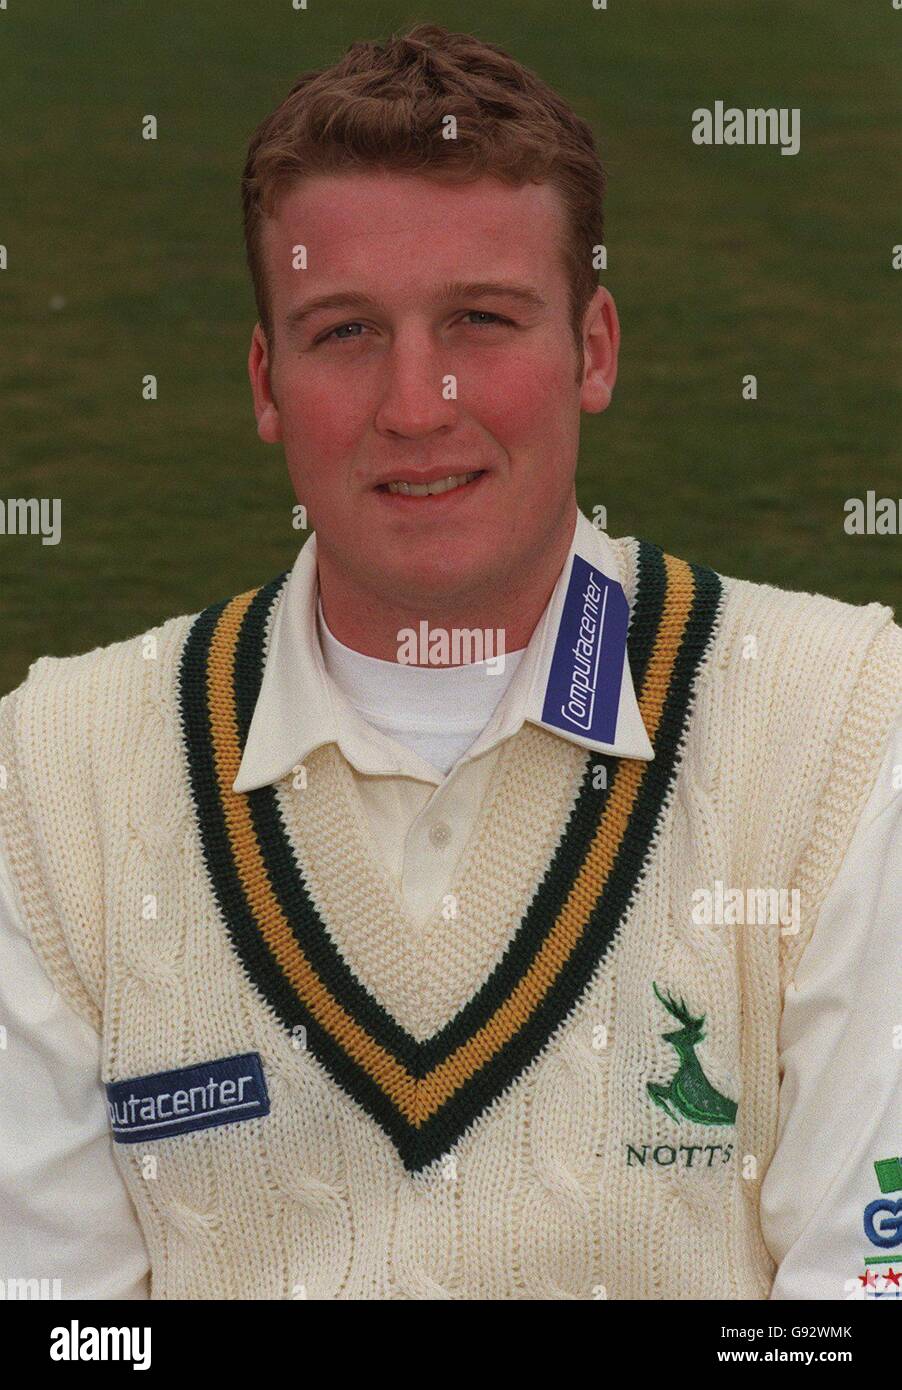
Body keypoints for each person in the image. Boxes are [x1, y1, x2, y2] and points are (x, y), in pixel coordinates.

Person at [0, 23, 899, 1301]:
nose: (417, 404)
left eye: (479, 319)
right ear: (265, 381)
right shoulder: (53, 771)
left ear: (592, 350)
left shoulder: (844, 722)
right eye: (345, 332)